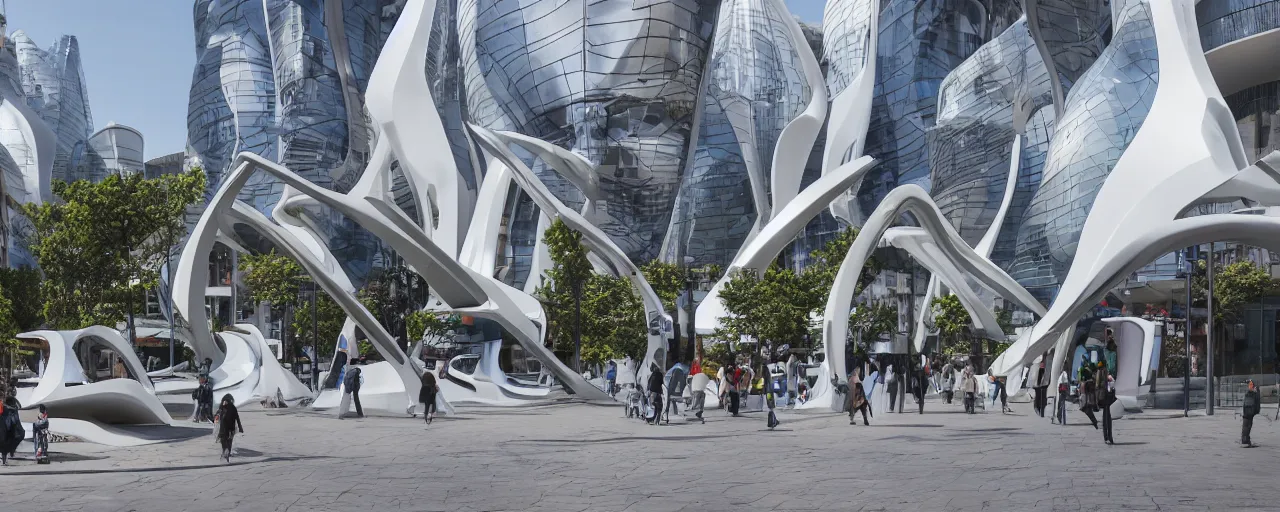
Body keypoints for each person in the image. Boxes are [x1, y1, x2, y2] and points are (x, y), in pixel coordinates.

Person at [214, 394, 243, 463]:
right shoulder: (223, 407)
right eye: (224, 401)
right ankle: (226, 451)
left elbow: (237, 418)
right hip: (226, 428)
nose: (225, 402)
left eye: (226, 401)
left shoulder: (230, 408)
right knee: (225, 440)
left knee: (227, 440)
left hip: (228, 428)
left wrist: (240, 427)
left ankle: (226, 452)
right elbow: (217, 415)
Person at [1243, 379, 1260, 447]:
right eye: (1250, 385)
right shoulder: (1250, 394)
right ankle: (1246, 440)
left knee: (1248, 426)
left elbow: (1257, 401)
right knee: (1247, 426)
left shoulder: (1252, 393)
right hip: (1248, 412)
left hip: (1249, 412)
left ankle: (1246, 440)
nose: (1251, 386)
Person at [1101, 373, 1117, 444]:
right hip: (1107, 401)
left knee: (1107, 420)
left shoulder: (1109, 378)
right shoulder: (1105, 378)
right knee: (1107, 420)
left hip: (1107, 401)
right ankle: (1108, 437)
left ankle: (1108, 437)